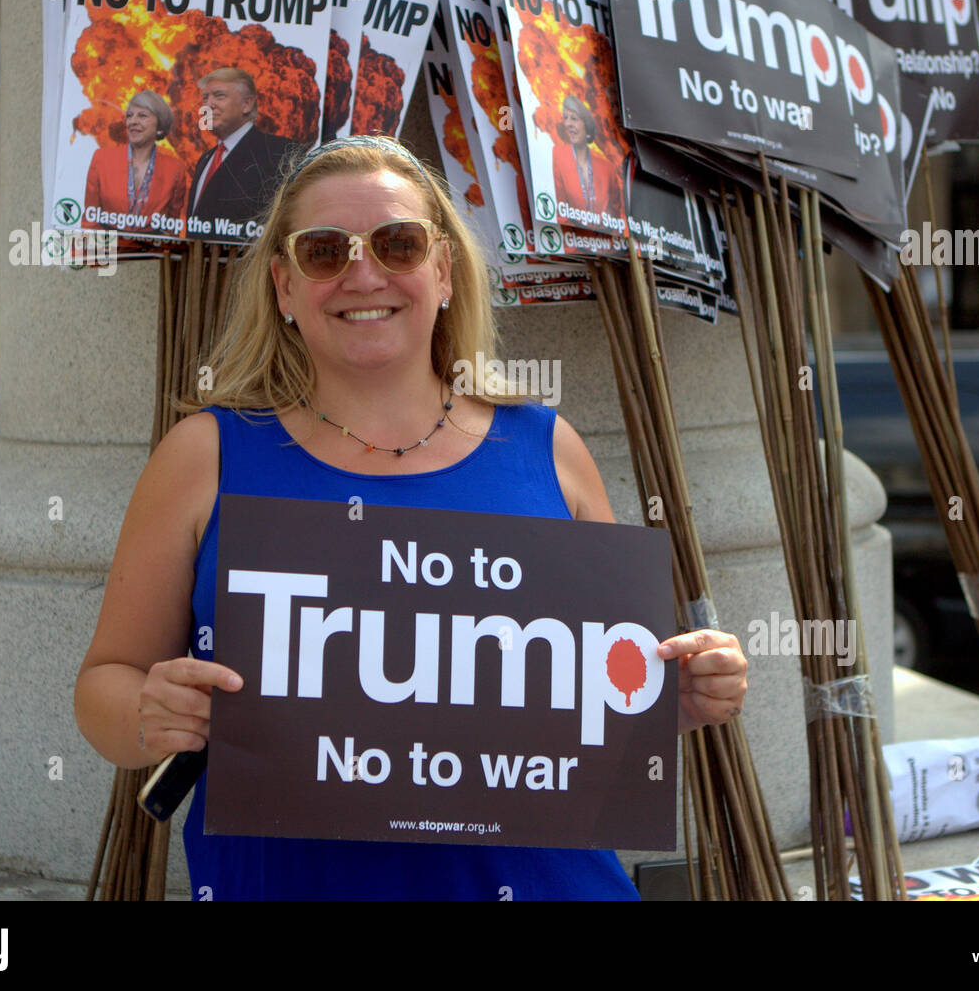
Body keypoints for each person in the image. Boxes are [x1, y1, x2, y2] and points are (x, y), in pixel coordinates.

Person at [74, 135, 747, 900]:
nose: (364, 272)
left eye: (398, 242)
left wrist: (673, 702)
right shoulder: (205, 455)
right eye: (326, 250)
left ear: (443, 270)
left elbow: (599, 699)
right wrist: (148, 712)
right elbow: (103, 685)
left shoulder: (548, 449)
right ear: (284, 287)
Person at [187, 67, 293, 229]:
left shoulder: (278, 153)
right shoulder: (206, 159)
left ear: (247, 104)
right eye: (205, 98)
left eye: (219, 96)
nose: (208, 104)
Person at [83, 91, 187, 237]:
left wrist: (154, 257)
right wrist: (103, 256)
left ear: (160, 125)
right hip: (108, 247)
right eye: (130, 116)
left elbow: (171, 226)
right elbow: (90, 220)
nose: (133, 121)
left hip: (151, 252)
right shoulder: (101, 158)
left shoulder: (175, 169)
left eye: (142, 116)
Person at [551, 94, 625, 228]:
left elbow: (616, 219)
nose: (568, 124)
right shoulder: (556, 156)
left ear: (587, 126)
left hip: (602, 245)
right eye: (565, 118)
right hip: (568, 241)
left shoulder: (607, 168)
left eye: (574, 119)